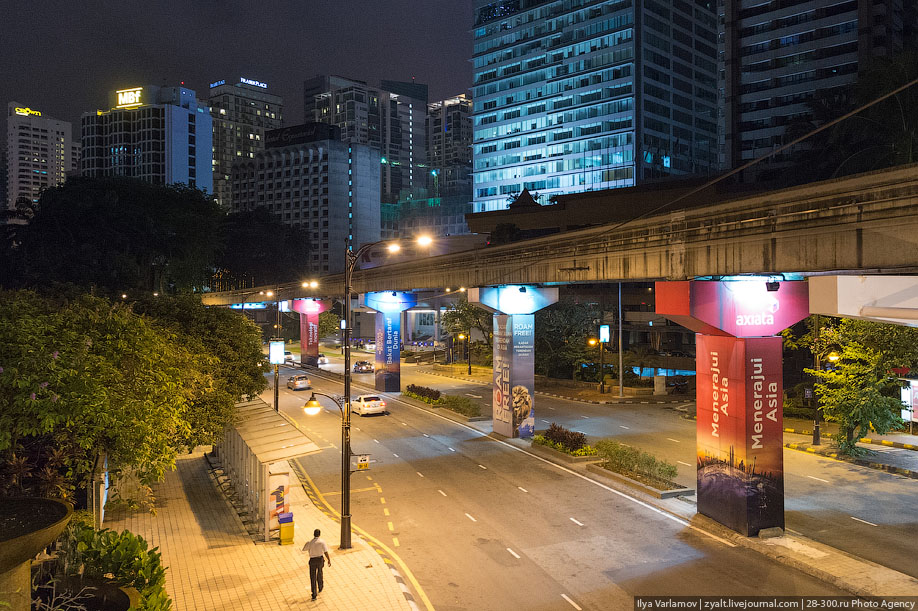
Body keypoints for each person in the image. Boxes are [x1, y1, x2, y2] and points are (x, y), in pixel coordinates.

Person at [303, 528, 331, 601]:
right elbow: (325, 551)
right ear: (319, 534)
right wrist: (329, 560)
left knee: (313, 577)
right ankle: (320, 586)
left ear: (313, 534)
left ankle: (314, 594)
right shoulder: (322, 542)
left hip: (312, 560)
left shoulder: (310, 542)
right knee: (320, 572)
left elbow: (304, 549)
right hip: (320, 559)